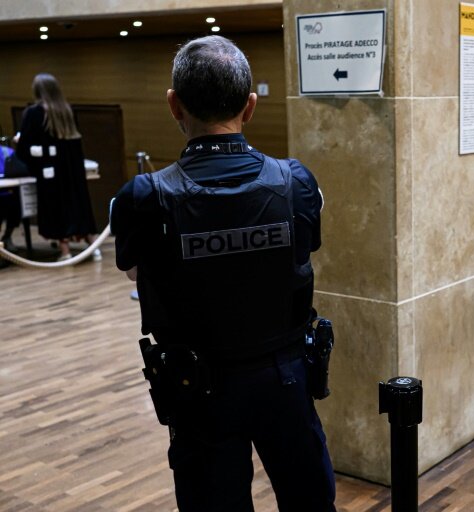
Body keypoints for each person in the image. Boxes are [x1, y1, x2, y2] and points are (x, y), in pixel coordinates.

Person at [110, 36, 336, 512]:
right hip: (286, 380)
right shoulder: (295, 182)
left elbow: (136, 273)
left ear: (174, 104)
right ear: (250, 106)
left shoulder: (143, 198)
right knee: (310, 503)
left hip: (199, 390)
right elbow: (302, 251)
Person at [14, 73, 101, 261]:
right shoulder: (67, 111)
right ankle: (94, 248)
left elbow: (25, 147)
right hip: (73, 171)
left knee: (56, 208)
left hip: (49, 173)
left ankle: (65, 251)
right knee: (79, 206)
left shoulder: (34, 112)